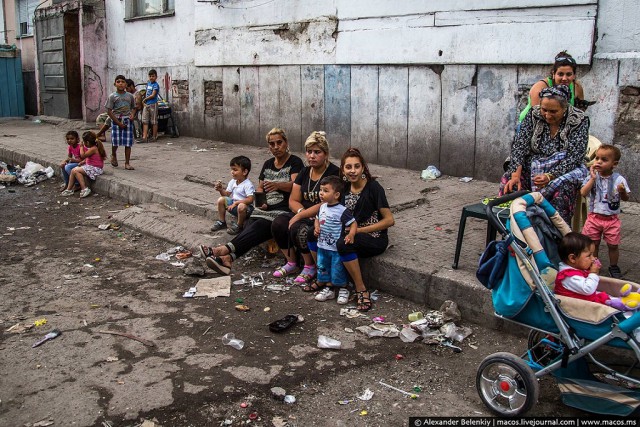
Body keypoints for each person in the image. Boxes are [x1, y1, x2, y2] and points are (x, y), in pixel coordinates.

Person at [201, 128, 304, 275]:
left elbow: (296, 186)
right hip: (266, 207)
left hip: (283, 209)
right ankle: (228, 259)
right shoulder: (268, 164)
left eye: (279, 143)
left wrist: (278, 185)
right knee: (252, 225)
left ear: (286, 143)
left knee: (260, 226)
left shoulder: (295, 162)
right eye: (272, 144)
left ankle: (223, 250)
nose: (276, 147)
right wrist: (260, 200)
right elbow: (260, 187)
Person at [319, 147, 395, 311]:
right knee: (316, 233)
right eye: (348, 167)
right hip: (349, 233)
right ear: (343, 169)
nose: (352, 171)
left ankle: (361, 289)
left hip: (374, 237)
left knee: (344, 244)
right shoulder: (344, 189)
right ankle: (327, 281)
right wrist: (304, 216)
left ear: (363, 168)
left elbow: (389, 220)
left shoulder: (374, 188)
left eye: (356, 166)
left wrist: (358, 231)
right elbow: (325, 205)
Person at [501, 85, 590, 223]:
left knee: (562, 192)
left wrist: (550, 175)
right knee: (510, 184)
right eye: (544, 110)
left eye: (553, 111)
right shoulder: (533, 114)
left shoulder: (579, 120)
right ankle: (513, 233)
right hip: (533, 166)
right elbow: (520, 145)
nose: (548, 115)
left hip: (562, 169)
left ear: (565, 108)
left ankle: (554, 237)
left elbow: (575, 156)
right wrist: (515, 174)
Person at [270, 131, 340, 283]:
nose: (312, 156)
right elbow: (293, 199)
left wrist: (302, 215)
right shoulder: (305, 171)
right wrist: (301, 211)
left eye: (317, 152)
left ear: (326, 154)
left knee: (300, 229)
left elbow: (327, 203)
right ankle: (292, 262)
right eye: (309, 152)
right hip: (303, 212)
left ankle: (310, 266)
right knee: (278, 223)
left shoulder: (333, 173)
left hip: (323, 216)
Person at [580, 144, 631, 279]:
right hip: (593, 218)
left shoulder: (619, 180)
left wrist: (622, 191)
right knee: (593, 243)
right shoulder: (592, 176)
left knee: (613, 245)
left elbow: (626, 198)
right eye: (597, 158)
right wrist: (592, 179)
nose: (599, 161)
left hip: (611, 219)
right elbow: (583, 192)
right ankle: (593, 264)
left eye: (604, 159)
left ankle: (613, 266)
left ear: (614, 164)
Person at [309, 176, 357, 304]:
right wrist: (317, 227)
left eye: (325, 191)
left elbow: (353, 223)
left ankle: (343, 288)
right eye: (320, 190)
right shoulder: (322, 207)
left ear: (336, 195)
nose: (321, 193)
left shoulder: (342, 210)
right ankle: (329, 289)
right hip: (322, 246)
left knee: (338, 270)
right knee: (324, 268)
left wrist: (351, 235)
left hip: (335, 248)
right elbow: (317, 218)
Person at [519, 51, 586, 126]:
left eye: (568, 74)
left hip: (563, 126)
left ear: (574, 75)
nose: (564, 78)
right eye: (560, 74)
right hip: (532, 125)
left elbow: (580, 114)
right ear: (553, 74)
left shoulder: (576, 87)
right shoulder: (540, 87)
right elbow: (538, 117)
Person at [554, 232, 609, 304]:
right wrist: (593, 273)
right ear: (573, 258)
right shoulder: (569, 277)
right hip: (578, 309)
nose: (593, 258)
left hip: (586, 302)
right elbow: (588, 289)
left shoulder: (576, 267)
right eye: (589, 255)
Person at [211, 156, 255, 235]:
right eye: (231, 169)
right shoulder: (233, 181)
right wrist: (221, 190)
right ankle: (222, 222)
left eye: (235, 170)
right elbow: (227, 194)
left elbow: (250, 199)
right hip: (234, 206)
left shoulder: (248, 184)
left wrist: (236, 203)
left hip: (246, 209)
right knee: (221, 199)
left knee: (241, 206)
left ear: (244, 172)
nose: (232, 172)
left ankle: (239, 226)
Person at [61, 131, 106, 198]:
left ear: (87, 142)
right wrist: (83, 162)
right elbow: (89, 158)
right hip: (91, 167)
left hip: (95, 168)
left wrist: (81, 147)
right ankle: (69, 189)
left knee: (75, 170)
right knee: (74, 170)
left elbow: (83, 155)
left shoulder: (93, 149)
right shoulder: (92, 148)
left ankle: (84, 188)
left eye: (84, 142)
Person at [106, 75, 137, 170]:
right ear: (115, 84)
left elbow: (134, 108)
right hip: (116, 121)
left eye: (123, 82)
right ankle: (113, 155)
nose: (120, 83)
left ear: (126, 84)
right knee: (115, 141)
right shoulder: (112, 96)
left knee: (128, 143)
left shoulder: (130, 96)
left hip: (127, 120)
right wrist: (117, 122)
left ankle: (127, 163)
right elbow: (109, 111)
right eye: (118, 81)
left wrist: (132, 115)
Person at [142, 69, 160, 143]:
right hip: (147, 104)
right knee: (145, 121)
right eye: (150, 76)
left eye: (153, 76)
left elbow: (153, 95)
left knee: (154, 121)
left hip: (153, 104)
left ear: (156, 77)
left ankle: (154, 136)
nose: (151, 77)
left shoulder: (156, 85)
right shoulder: (148, 84)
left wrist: (145, 99)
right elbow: (146, 92)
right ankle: (144, 137)